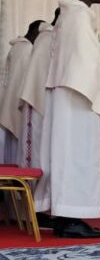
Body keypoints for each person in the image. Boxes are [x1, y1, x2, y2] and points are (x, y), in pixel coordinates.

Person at [34, 0, 100, 239]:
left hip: (71, 96)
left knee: (69, 156)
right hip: (79, 99)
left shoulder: (70, 17)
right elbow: (88, 62)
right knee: (76, 157)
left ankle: (66, 217)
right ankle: (70, 219)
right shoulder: (78, 17)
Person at [19, 10, 59, 169]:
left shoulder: (63, 37)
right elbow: (37, 76)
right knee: (36, 150)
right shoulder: (46, 38)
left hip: (54, 104)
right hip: (38, 101)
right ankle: (31, 191)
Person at [0, 20, 43, 164]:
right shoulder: (27, 50)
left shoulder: (16, 47)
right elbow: (27, 82)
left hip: (7, 104)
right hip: (16, 107)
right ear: (35, 32)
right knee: (15, 157)